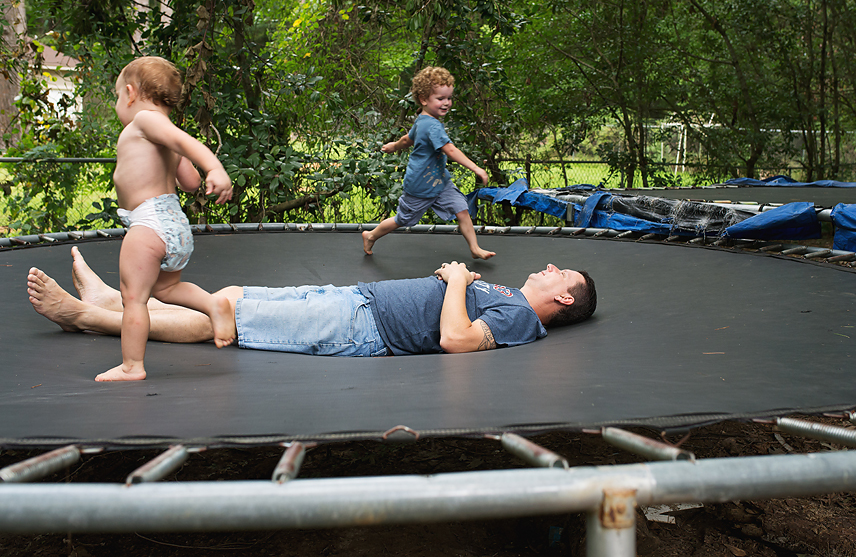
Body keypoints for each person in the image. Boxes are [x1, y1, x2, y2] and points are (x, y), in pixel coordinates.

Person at [27, 247, 597, 357]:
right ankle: (109, 299)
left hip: (362, 325)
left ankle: (88, 318)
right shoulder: (509, 296)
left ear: (564, 296)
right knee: (227, 300)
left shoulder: (521, 317)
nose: (548, 267)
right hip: (353, 299)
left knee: (227, 324)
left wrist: (454, 281)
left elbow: (456, 340)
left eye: (558, 272)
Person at [104, 56, 234, 382]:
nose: (119, 103)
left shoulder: (145, 121)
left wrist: (214, 167)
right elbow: (189, 183)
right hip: (173, 222)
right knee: (167, 288)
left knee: (133, 297)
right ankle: (214, 305)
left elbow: (187, 144)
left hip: (148, 222)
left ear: (131, 93)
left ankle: (132, 365)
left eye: (118, 96)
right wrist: (194, 172)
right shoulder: (162, 131)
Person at [362, 66, 495, 260]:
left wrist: (393, 146)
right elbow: (449, 150)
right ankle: (371, 235)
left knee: (462, 210)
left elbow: (408, 139)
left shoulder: (423, 119)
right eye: (440, 99)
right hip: (420, 186)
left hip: (440, 182)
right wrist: (477, 169)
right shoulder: (432, 126)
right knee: (403, 219)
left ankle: (475, 248)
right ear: (424, 99)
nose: (446, 103)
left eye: (449, 98)